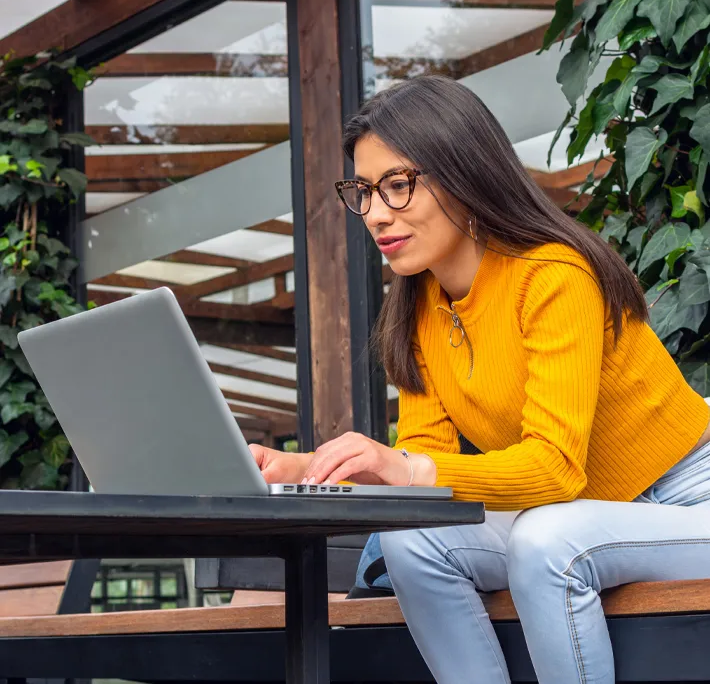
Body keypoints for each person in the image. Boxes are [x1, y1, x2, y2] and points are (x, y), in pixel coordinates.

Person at [248, 75, 710, 684]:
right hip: (586, 513)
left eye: (397, 186)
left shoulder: (552, 276)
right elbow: (423, 475)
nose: (377, 215)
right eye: (363, 192)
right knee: (412, 542)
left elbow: (553, 469)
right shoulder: (417, 308)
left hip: (687, 502)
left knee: (549, 539)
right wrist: (307, 473)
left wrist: (401, 467)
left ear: (463, 172)